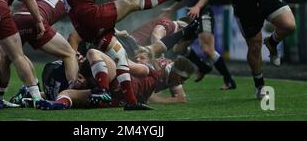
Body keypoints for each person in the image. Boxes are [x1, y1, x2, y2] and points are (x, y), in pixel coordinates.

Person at [63, 0, 191, 109]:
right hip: (91, 17)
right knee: (132, 1)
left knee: (120, 55)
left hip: (85, 27)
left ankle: (129, 101)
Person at [164, 0, 236, 90]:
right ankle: (203, 66)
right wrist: (171, 8)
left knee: (208, 50)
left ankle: (229, 80)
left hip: (203, 14)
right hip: (192, 16)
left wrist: (198, 6)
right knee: (179, 49)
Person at [37, 54, 195, 110]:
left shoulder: (151, 71)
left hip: (117, 87)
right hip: (117, 99)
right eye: (184, 79)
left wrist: (115, 54)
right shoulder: (156, 74)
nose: (184, 83)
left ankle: (102, 91)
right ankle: (56, 104)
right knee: (66, 94)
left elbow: (127, 64)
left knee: (93, 53)